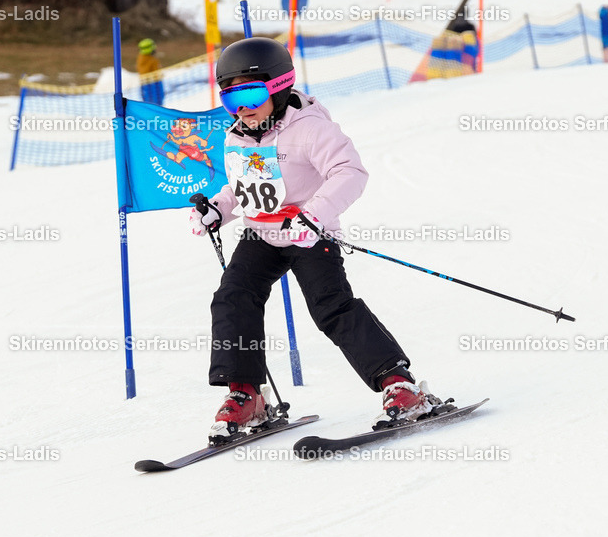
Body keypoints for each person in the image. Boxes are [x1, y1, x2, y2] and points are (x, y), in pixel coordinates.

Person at [189, 37, 442, 441]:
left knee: (331, 308)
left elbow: (350, 172)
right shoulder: (236, 135)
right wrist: (219, 207)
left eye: (251, 93)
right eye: (230, 98)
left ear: (278, 86)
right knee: (233, 296)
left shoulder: (309, 129)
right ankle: (247, 393)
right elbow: (245, 186)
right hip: (261, 233)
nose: (242, 107)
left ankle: (399, 385)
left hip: (310, 234)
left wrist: (314, 214)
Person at [136, 38, 165, 106]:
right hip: (150, 82)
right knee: (152, 102)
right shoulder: (145, 58)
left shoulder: (150, 57)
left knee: (158, 101)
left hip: (155, 81)